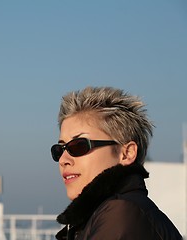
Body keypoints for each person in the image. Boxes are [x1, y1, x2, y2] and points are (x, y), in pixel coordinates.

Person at [51, 86, 182, 240]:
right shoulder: (107, 213)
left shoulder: (122, 212)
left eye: (79, 145)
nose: (63, 160)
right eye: (59, 150)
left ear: (127, 153)